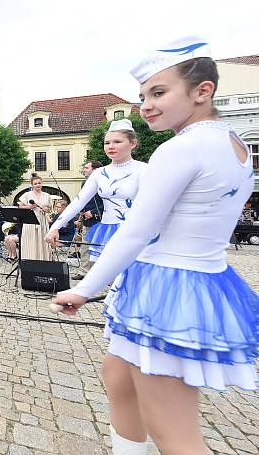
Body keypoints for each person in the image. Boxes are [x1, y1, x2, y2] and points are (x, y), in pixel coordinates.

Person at [52, 37, 259, 454]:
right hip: (195, 279)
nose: (146, 104)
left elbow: (136, 231)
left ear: (203, 91)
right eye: (144, 95)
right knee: (118, 375)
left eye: (159, 93)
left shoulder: (179, 148)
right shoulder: (235, 142)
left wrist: (84, 288)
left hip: (169, 286)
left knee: (175, 433)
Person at [45, 120, 147, 266]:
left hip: (134, 230)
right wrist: (56, 226)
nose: (111, 146)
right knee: (110, 277)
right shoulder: (99, 173)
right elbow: (79, 201)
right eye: (107, 143)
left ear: (132, 143)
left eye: (117, 141)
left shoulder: (144, 170)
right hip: (107, 229)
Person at [75, 161, 104, 278]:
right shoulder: (84, 183)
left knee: (99, 248)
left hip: (101, 220)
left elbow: (108, 203)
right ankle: (84, 271)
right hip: (87, 220)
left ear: (95, 170)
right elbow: (83, 200)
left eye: (87, 168)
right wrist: (82, 210)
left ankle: (101, 274)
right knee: (85, 247)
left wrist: (93, 212)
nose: (84, 170)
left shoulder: (104, 183)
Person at [18, 175, 53, 261]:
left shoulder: (47, 195)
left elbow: (49, 210)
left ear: (42, 183)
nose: (37, 185)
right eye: (35, 183)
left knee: (42, 241)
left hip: (42, 221)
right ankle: (29, 260)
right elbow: (20, 207)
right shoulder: (27, 195)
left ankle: (43, 260)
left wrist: (46, 209)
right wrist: (29, 207)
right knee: (30, 241)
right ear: (32, 185)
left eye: (39, 183)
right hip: (29, 221)